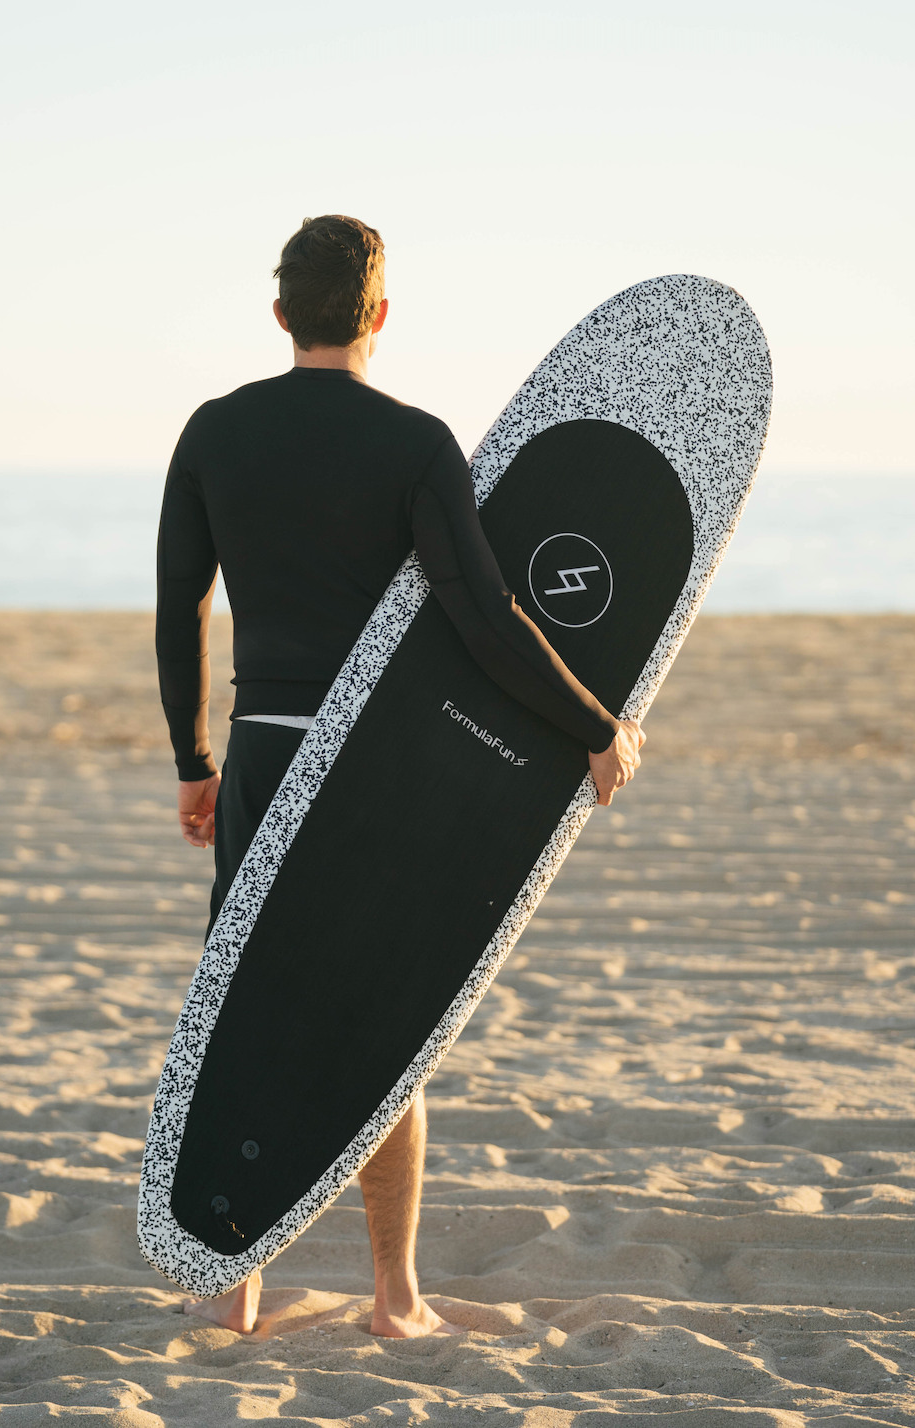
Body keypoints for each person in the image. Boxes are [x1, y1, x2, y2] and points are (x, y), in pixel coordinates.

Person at [156, 214, 645, 1338]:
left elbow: (180, 606)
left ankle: (235, 1285)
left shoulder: (213, 431)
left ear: (280, 314)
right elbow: (482, 615)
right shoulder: (417, 442)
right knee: (383, 1021)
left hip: (267, 749)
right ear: (377, 314)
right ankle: (393, 1296)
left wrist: (193, 761)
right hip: (375, 768)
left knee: (252, 1008)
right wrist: (588, 721)